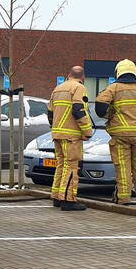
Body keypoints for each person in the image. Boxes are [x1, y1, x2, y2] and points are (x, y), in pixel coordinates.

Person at [95, 59, 136, 209]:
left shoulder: (113, 88)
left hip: (120, 134)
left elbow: (100, 107)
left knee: (123, 167)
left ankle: (123, 198)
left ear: (118, 72)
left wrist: (109, 114)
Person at [47, 66, 95, 211]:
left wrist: (55, 128)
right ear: (83, 77)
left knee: (61, 165)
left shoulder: (58, 89)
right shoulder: (79, 88)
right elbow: (79, 110)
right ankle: (68, 199)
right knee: (72, 166)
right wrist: (87, 131)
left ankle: (57, 196)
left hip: (57, 133)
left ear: (69, 75)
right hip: (71, 135)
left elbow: (50, 112)